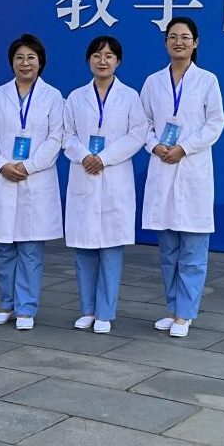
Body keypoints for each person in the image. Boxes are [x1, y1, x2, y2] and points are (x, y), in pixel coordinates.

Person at [141, 17, 224, 338]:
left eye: (185, 37)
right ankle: (173, 308)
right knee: (168, 252)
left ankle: (185, 313)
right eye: (173, 36)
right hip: (163, 166)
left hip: (192, 170)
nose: (179, 42)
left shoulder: (207, 80)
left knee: (192, 251)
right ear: (165, 42)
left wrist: (184, 148)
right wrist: (155, 145)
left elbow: (215, 123)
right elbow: (142, 123)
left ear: (195, 43)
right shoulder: (153, 82)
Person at [62, 35, 148, 334]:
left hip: (114, 178)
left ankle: (105, 312)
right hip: (84, 174)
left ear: (118, 61)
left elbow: (137, 134)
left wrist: (105, 158)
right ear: (89, 59)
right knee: (84, 249)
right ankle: (87, 309)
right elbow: (66, 135)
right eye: (97, 55)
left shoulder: (130, 97)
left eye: (109, 56)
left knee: (111, 250)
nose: (103, 60)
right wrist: (85, 156)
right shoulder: (75, 97)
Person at [0, 33, 63, 331]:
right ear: (11, 62)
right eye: (19, 58)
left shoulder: (53, 97)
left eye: (31, 58)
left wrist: (28, 166)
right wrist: (2, 165)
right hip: (3, 178)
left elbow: (56, 138)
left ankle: (26, 308)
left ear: (41, 62)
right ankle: (7, 304)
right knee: (4, 249)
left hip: (35, 179)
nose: (25, 63)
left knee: (29, 249)